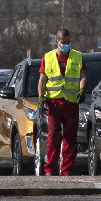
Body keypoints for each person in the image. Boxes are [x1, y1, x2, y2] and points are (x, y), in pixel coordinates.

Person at [40, 29, 85, 176]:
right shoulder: (48, 58)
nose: (65, 45)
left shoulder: (77, 57)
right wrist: (41, 96)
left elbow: (83, 75)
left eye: (68, 42)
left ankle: (67, 170)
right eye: (63, 42)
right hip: (54, 103)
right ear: (56, 42)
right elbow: (42, 79)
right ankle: (50, 169)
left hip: (71, 103)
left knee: (70, 138)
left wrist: (82, 89)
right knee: (53, 137)